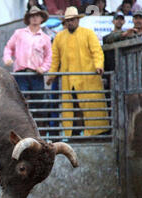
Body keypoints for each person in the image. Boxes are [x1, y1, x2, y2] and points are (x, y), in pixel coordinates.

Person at [46, 6, 109, 138]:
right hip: (69, 80)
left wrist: (98, 66)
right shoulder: (59, 37)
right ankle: (74, 133)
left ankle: (96, 132)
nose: (70, 22)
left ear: (78, 20)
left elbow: (97, 51)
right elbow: (55, 59)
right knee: (71, 107)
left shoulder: (88, 33)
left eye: (73, 20)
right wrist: (51, 75)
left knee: (90, 105)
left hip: (88, 78)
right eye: (68, 20)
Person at [3, 6, 52, 136]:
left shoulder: (45, 38)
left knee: (39, 103)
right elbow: (8, 47)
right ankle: (20, 132)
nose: (35, 18)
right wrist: (7, 58)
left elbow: (48, 57)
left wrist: (43, 68)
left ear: (41, 18)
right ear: (28, 18)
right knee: (20, 102)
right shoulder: (19, 33)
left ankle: (39, 133)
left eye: (37, 15)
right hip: (21, 73)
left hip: (36, 74)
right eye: (32, 16)